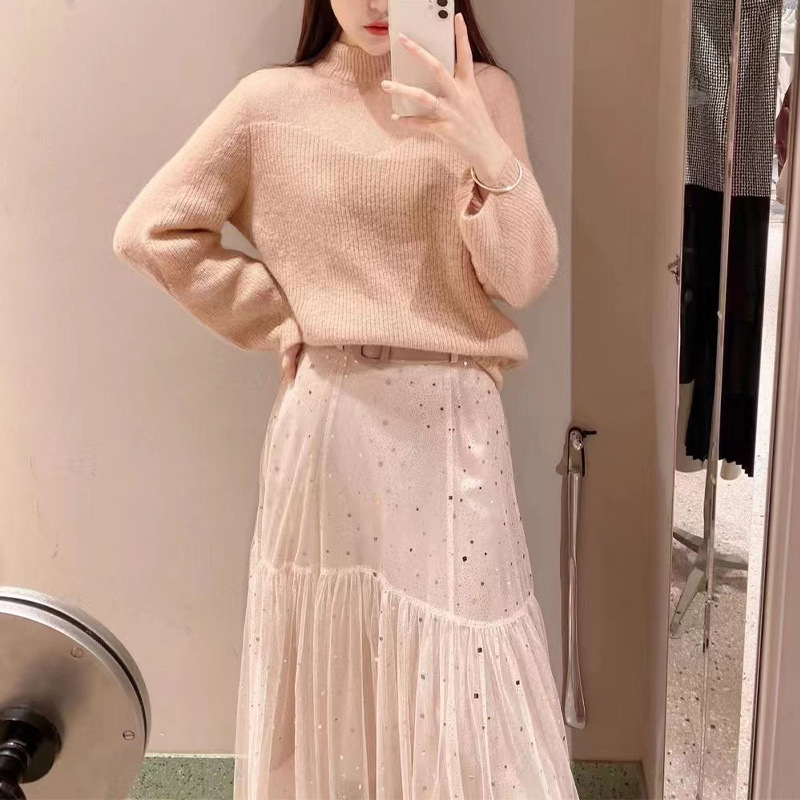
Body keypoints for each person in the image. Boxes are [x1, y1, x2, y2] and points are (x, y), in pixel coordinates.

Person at [112, 0, 578, 797]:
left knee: (463, 674)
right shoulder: (269, 104)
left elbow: (524, 277)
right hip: (330, 422)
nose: (377, 3)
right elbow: (151, 230)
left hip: (455, 427)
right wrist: (280, 318)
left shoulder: (482, 91)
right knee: (330, 667)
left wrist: (483, 145)